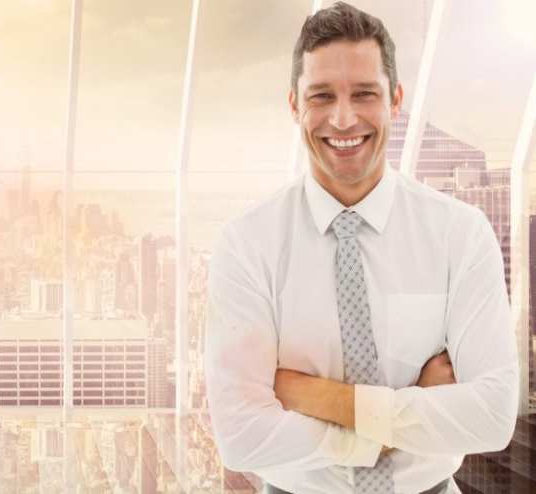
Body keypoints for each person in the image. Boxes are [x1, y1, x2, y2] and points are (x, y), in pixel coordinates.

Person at [203, 2, 519, 494]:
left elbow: (492, 417)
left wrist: (315, 397)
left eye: (364, 94)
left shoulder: (460, 233)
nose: (344, 118)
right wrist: (394, 420)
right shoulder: (248, 244)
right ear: (294, 105)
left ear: (395, 100)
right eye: (322, 96)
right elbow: (241, 436)